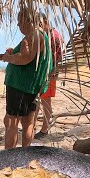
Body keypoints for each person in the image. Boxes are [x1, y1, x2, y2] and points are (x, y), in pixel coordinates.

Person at [0, 7, 52, 149]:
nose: (18, 26)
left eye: (19, 22)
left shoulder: (34, 35)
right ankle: (25, 154)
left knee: (11, 122)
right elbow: (28, 56)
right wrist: (12, 53)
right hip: (30, 86)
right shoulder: (40, 35)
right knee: (28, 122)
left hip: (21, 86)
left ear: (27, 20)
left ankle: (9, 156)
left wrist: (8, 57)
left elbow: (25, 58)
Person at [34, 12, 64, 140]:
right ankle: (35, 126)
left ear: (45, 22)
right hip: (43, 72)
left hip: (49, 73)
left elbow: (57, 58)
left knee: (45, 100)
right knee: (39, 99)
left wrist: (51, 74)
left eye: (39, 24)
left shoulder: (54, 37)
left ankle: (45, 128)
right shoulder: (47, 34)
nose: (37, 28)